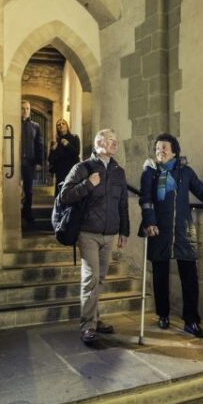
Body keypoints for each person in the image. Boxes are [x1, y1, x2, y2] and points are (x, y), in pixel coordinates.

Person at [139, 133, 203, 338]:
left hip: (183, 231)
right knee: (160, 276)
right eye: (158, 148)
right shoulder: (150, 172)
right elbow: (146, 199)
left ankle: (191, 321)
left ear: (175, 152)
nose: (160, 151)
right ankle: (163, 314)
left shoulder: (185, 172)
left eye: (164, 148)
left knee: (190, 278)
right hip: (158, 230)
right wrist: (150, 221)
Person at [58, 129, 129, 343]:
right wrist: (88, 184)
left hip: (110, 233)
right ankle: (87, 326)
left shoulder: (118, 171)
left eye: (116, 141)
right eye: (110, 140)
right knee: (91, 278)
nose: (115, 144)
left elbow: (122, 203)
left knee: (101, 279)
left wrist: (124, 230)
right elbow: (64, 196)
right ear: (99, 142)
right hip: (88, 232)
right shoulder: (82, 168)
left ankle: (95, 319)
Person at [20, 100, 43, 222]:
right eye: (23, 108)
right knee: (15, 189)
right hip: (16, 162)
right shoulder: (14, 124)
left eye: (27, 108)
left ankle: (27, 212)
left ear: (30, 110)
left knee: (28, 190)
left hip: (29, 162)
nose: (25, 111)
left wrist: (39, 162)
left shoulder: (35, 126)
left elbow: (39, 145)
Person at [48, 118, 81, 191]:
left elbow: (76, 153)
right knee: (60, 193)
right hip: (60, 172)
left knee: (71, 192)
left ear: (67, 126)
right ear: (57, 128)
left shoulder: (74, 137)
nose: (61, 125)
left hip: (72, 170)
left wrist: (67, 144)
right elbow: (50, 159)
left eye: (63, 123)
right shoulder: (55, 142)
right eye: (58, 125)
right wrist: (53, 150)